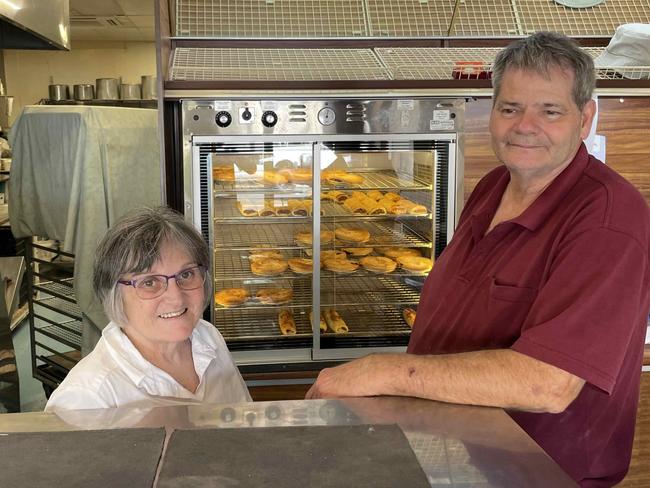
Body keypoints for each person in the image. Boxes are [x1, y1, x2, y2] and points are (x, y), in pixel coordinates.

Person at [307, 31, 650, 487]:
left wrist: (380, 371)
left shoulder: (608, 222)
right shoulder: (495, 185)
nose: (524, 126)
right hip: (459, 456)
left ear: (584, 119)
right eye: (510, 108)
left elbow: (546, 384)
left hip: (539, 473)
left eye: (550, 111)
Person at [45, 206, 250, 411]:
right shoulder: (88, 397)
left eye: (186, 274)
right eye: (149, 282)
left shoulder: (208, 337)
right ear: (114, 294)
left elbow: (246, 423)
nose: (176, 298)